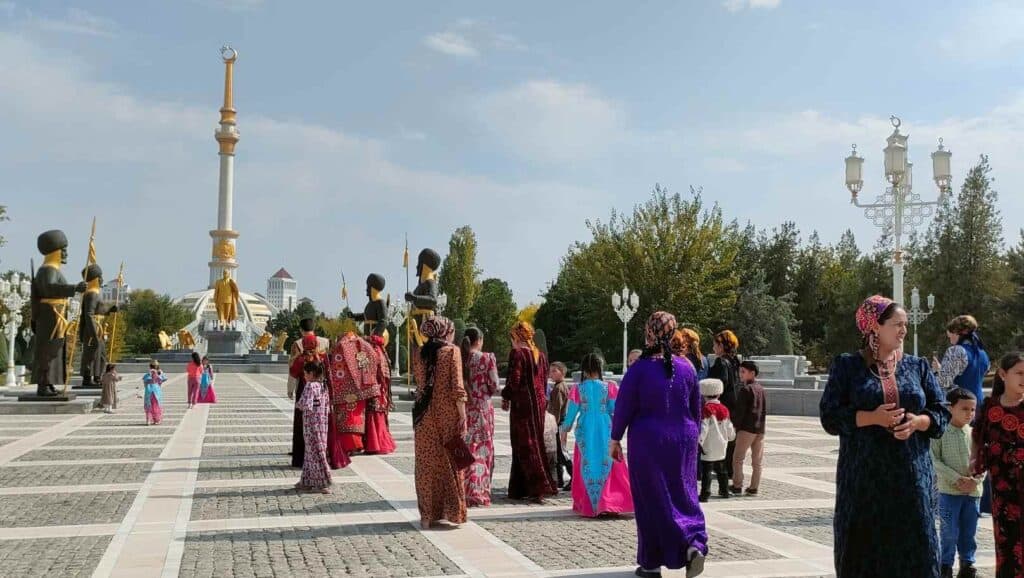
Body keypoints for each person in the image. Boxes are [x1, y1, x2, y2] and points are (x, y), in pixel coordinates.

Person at [819, 295, 950, 578]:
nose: (904, 330)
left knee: (917, 550)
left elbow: (942, 412)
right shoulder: (847, 366)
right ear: (875, 327)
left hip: (912, 478)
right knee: (866, 553)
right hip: (865, 481)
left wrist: (920, 422)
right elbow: (829, 416)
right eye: (897, 324)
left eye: (905, 324)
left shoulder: (918, 366)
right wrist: (872, 418)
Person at [611, 311, 707, 578]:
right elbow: (695, 408)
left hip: (649, 441)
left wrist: (615, 438)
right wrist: (693, 439)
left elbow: (624, 406)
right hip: (684, 439)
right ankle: (692, 544)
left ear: (650, 333)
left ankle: (651, 562)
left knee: (651, 498)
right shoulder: (686, 367)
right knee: (684, 493)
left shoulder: (639, 369)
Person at [411, 315, 468, 529]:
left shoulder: (420, 353)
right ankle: (453, 513)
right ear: (445, 331)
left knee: (426, 464)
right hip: (447, 415)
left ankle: (426, 516)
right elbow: (457, 387)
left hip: (423, 416)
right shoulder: (452, 351)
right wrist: (462, 414)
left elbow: (421, 383)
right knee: (452, 462)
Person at [971, 351, 1024, 578]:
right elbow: (977, 437)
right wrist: (974, 460)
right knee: (1006, 542)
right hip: (1002, 490)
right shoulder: (989, 406)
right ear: (1003, 374)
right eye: (1019, 373)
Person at [561, 352, 633, 517]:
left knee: (587, 462)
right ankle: (611, 502)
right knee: (609, 462)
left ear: (584, 369)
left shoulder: (578, 389)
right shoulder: (610, 387)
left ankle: (589, 504)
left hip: (585, 429)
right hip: (605, 427)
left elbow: (571, 414)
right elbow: (615, 410)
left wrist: (564, 430)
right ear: (601, 367)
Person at [502, 321, 557, 502]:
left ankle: (536, 486)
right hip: (538, 404)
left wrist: (506, 396)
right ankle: (523, 487)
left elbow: (514, 379)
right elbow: (543, 381)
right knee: (536, 442)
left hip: (523, 405)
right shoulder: (540, 355)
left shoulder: (518, 354)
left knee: (524, 444)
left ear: (517, 336)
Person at [932, 388, 982, 578]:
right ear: (951, 408)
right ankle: (945, 565)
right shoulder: (940, 433)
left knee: (969, 532)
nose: (969, 413)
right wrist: (957, 479)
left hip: (972, 493)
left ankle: (967, 564)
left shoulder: (976, 434)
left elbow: (983, 459)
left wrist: (975, 480)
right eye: (964, 409)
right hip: (949, 493)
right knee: (949, 531)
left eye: (972, 409)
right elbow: (934, 460)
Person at [461, 327, 499, 507]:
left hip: (465, 411)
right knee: (482, 450)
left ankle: (464, 489)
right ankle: (479, 491)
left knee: (468, 448)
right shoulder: (487, 358)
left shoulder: (460, 358)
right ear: (480, 340)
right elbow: (494, 384)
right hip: (483, 410)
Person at [295, 361, 333, 494]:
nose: (304, 376)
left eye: (305, 373)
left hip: (310, 424)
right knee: (315, 451)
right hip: (322, 424)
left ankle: (323, 482)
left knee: (314, 453)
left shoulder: (310, 386)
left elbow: (306, 405)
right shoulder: (323, 386)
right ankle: (306, 480)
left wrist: (298, 405)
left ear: (311, 374)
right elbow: (327, 407)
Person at [730, 360, 766, 496]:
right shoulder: (761, 389)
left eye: (743, 372)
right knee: (757, 461)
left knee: (738, 458)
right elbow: (764, 410)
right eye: (740, 371)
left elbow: (740, 411)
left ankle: (737, 485)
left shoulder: (745, 390)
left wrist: (734, 425)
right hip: (760, 429)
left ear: (752, 373)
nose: (740, 374)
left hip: (746, 428)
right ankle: (754, 487)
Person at [708, 330, 741, 478]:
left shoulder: (721, 362)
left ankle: (725, 468)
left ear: (721, 345)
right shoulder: (735, 361)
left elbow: (720, 383)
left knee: (720, 436)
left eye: (715, 344)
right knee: (730, 437)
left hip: (723, 404)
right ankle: (730, 468)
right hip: (735, 403)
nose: (713, 348)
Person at [698, 378, 735, 502]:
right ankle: (724, 490)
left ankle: (705, 493)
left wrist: (699, 441)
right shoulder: (724, 409)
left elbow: (704, 427)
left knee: (707, 471)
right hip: (722, 443)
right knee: (722, 469)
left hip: (709, 444)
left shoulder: (706, 409)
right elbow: (729, 426)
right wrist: (731, 437)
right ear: (719, 393)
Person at [548, 361, 573, 490]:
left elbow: (556, 409)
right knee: (557, 452)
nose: (551, 374)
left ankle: (572, 475)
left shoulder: (559, 388)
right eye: (550, 371)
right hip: (559, 422)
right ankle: (559, 480)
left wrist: (552, 424)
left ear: (562, 372)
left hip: (558, 423)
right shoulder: (560, 386)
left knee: (561, 452)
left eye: (554, 371)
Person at [142, 361, 166, 425]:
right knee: (156, 405)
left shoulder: (148, 373)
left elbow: (144, 381)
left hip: (149, 390)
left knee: (149, 405)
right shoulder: (158, 373)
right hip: (156, 390)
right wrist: (159, 374)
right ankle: (156, 420)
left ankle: (148, 420)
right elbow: (163, 379)